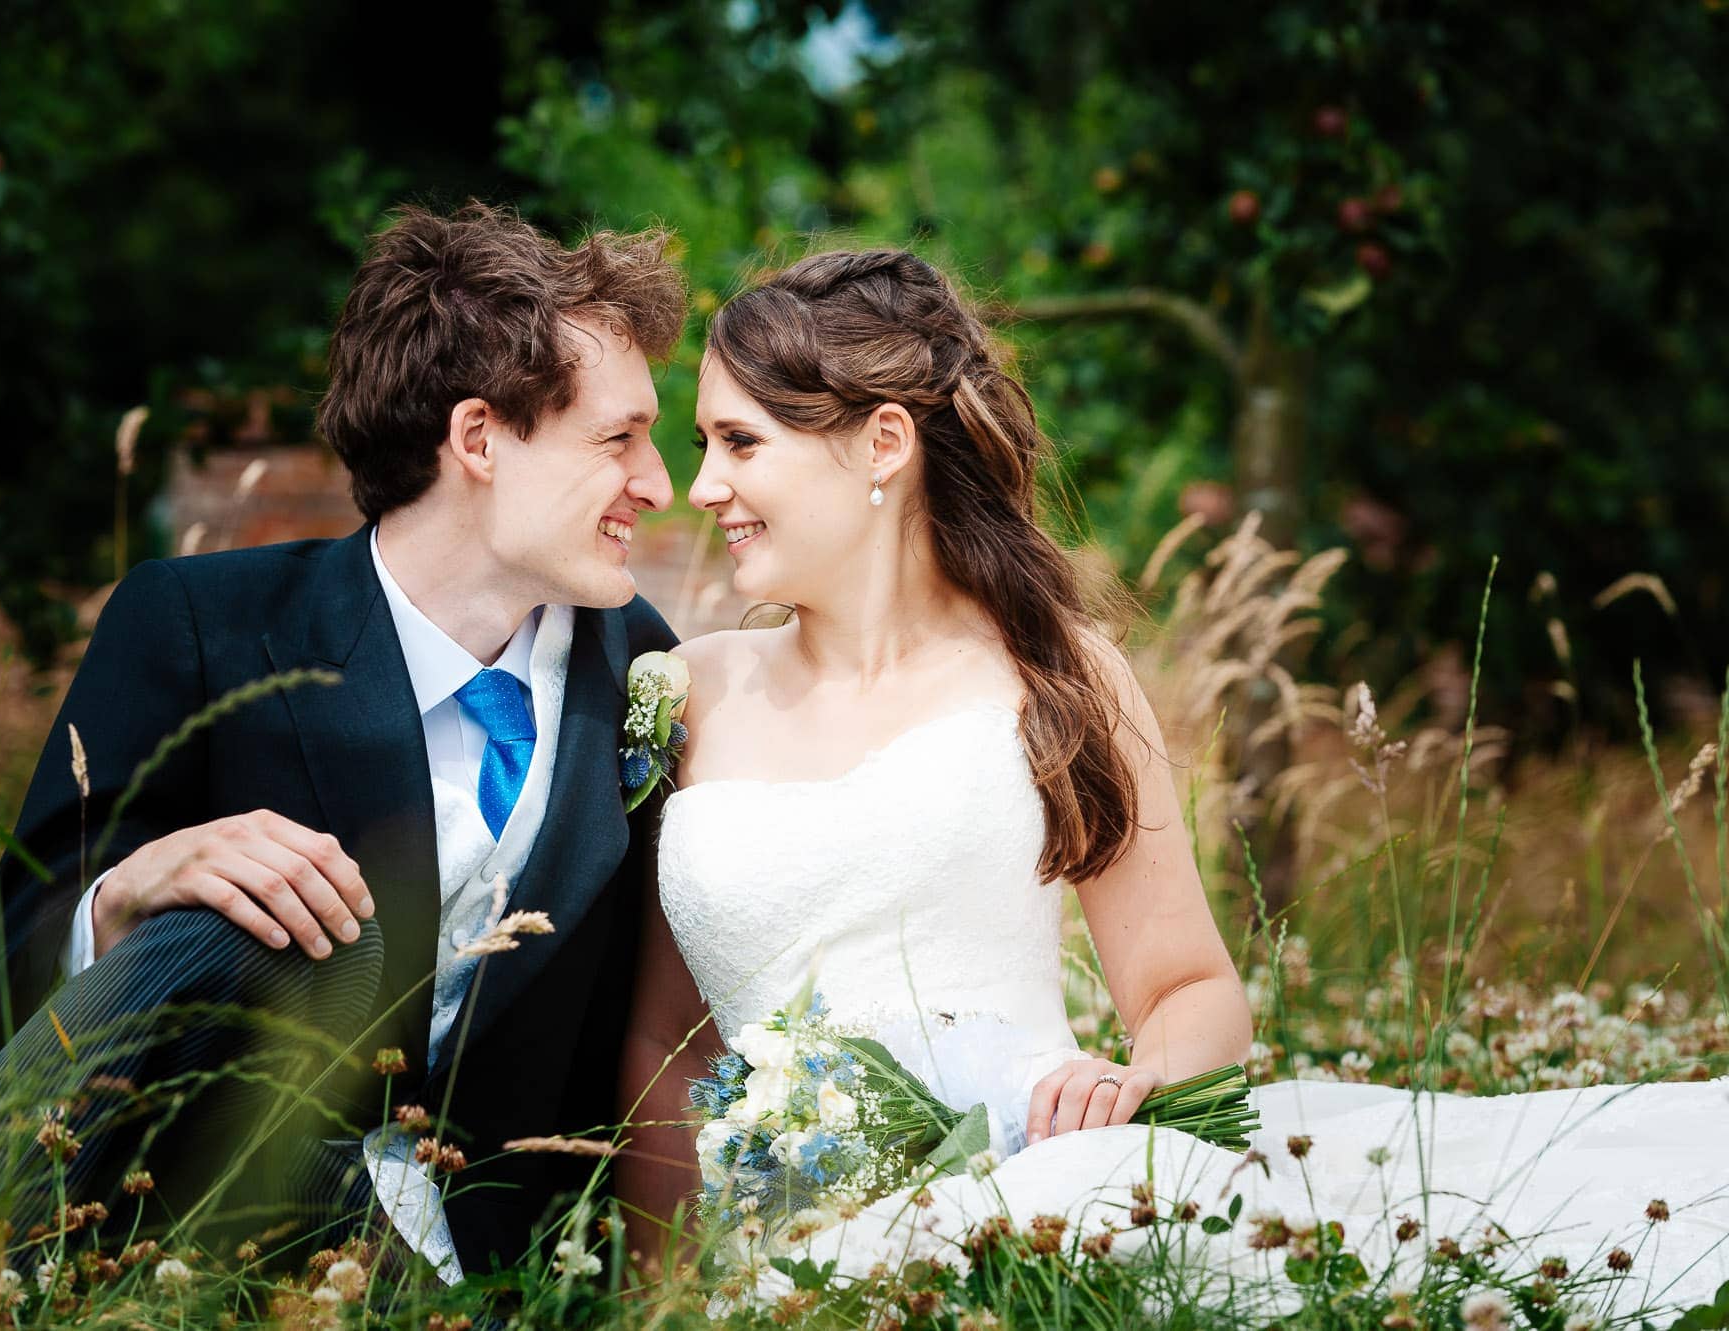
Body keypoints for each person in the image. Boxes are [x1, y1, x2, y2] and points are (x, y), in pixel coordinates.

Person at [614, 249, 1729, 1313]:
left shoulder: (1055, 674)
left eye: (739, 441)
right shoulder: (686, 691)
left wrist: (1126, 1086)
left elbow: (1191, 989)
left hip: (1044, 1201)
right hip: (790, 1259)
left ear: (881, 443)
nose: (701, 485)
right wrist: (660, 1302)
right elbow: (665, 1050)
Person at [0, 202, 686, 1278]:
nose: (656, 484)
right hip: (181, 1246)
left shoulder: (644, 671)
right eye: (617, 438)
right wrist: (122, 896)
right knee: (283, 927)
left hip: (493, 1280)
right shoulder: (201, 625)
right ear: (477, 437)